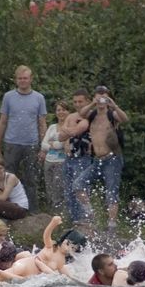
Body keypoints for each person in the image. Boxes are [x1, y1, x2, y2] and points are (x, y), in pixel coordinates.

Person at [0, 65, 47, 213]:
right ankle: (7, 210)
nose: (23, 81)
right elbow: (2, 121)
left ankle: (33, 212)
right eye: (20, 78)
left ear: (31, 79)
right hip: (11, 143)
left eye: (25, 78)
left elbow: (42, 123)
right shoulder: (8, 97)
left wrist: (44, 146)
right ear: (16, 80)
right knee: (7, 178)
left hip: (31, 144)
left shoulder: (39, 98)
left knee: (31, 179)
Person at [75, 85, 129, 232]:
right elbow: (81, 112)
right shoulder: (91, 114)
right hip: (97, 160)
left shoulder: (112, 115)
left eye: (104, 97)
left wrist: (114, 105)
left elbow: (125, 119)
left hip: (112, 159)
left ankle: (112, 225)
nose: (101, 100)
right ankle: (90, 213)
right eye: (99, 96)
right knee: (78, 184)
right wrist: (93, 103)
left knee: (111, 192)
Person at [0, 216, 85, 282]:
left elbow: (66, 276)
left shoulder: (62, 261)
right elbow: (46, 236)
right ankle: (3, 276)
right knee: (15, 271)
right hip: (27, 265)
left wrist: (77, 281)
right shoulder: (52, 246)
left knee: (23, 281)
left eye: (73, 248)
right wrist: (53, 224)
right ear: (64, 239)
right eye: (68, 243)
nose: (68, 248)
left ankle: (8, 277)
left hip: (32, 276)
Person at [58, 89, 92, 224]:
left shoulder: (91, 116)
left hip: (83, 157)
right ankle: (74, 220)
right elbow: (60, 137)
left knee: (80, 188)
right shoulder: (71, 116)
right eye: (75, 102)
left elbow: (76, 131)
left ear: (88, 101)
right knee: (69, 191)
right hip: (69, 157)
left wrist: (69, 130)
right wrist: (70, 131)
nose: (77, 104)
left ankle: (86, 219)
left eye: (80, 101)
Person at [40, 100, 69, 212]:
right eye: (58, 110)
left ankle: (60, 214)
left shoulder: (70, 127)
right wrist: (55, 145)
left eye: (63, 109)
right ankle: (51, 213)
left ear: (68, 111)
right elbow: (43, 144)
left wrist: (53, 144)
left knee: (59, 189)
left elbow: (63, 144)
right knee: (50, 189)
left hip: (61, 162)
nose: (61, 112)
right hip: (48, 161)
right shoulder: (52, 127)